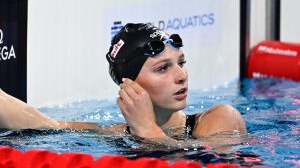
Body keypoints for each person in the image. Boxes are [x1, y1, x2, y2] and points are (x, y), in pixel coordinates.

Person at [0, 23, 246, 142]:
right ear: (129, 85)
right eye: (163, 68)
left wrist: (146, 129)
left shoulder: (219, 119)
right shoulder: (116, 133)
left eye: (181, 62)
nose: (181, 75)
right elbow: (47, 124)